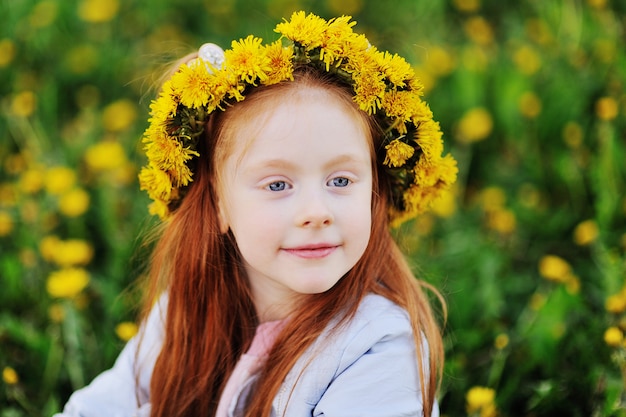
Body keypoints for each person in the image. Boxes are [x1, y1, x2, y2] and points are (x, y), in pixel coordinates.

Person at [55, 11, 458, 417]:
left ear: (375, 188)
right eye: (278, 185)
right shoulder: (185, 311)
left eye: (340, 180)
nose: (316, 213)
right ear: (218, 203)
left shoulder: (382, 348)